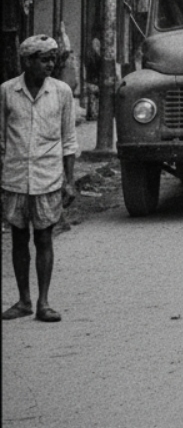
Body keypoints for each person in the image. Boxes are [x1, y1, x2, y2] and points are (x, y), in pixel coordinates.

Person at [1, 35, 80, 323]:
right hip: (15, 177)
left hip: (48, 177)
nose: (50, 65)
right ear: (27, 61)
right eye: (44, 59)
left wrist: (69, 180)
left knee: (44, 237)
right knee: (19, 238)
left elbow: (69, 140)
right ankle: (23, 300)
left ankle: (43, 302)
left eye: (52, 59)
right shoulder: (7, 92)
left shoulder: (61, 92)